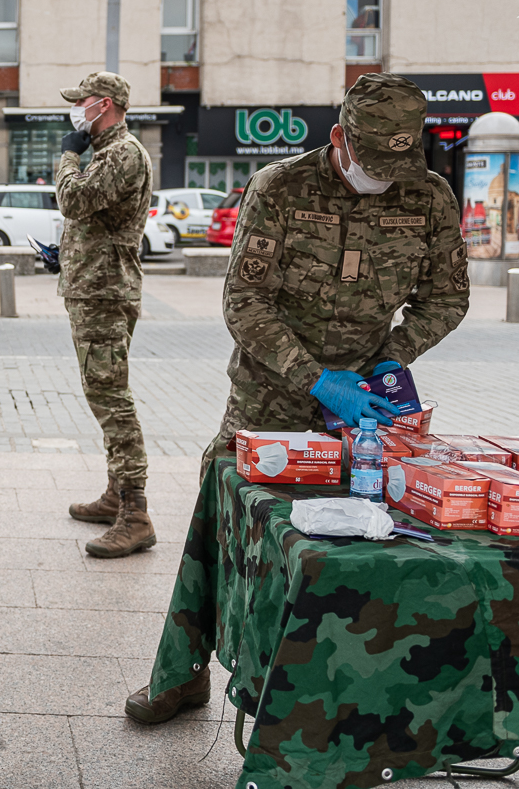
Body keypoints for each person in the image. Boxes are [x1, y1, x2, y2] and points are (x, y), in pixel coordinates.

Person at [124, 72, 470, 724]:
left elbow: (448, 296)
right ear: (339, 137)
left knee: (360, 541)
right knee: (223, 532)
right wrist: (313, 375)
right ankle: (183, 671)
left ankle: (343, 682)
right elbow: (244, 301)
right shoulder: (280, 188)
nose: (387, 177)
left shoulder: (428, 196)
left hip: (367, 407)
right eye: (374, 164)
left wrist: (394, 356)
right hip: (269, 397)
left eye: (399, 163)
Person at [52, 73, 156, 559]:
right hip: (95, 286)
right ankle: (117, 494)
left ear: (106, 105)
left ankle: (135, 513)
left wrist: (67, 156)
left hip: (103, 293)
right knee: (105, 390)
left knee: (110, 396)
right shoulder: (113, 152)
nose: (77, 110)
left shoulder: (121, 152)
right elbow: (93, 219)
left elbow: (74, 199)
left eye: (83, 102)